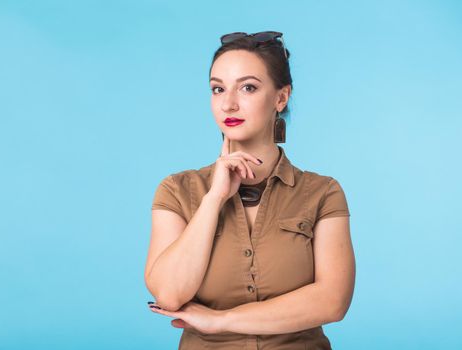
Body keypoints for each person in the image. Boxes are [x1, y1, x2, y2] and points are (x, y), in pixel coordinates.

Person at [144, 31, 355, 350]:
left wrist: (221, 320)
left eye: (248, 87)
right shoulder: (177, 190)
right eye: (218, 89)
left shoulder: (322, 193)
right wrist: (213, 199)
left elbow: (332, 302)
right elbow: (169, 294)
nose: (228, 103)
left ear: (280, 97)